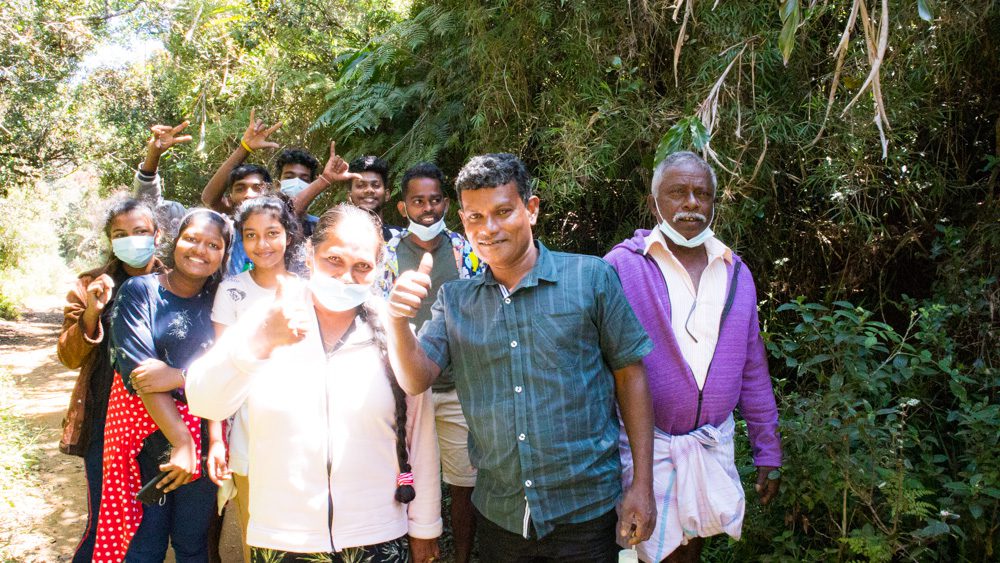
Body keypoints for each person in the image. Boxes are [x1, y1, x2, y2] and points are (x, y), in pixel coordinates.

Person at [385, 153, 657, 562]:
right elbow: (415, 378)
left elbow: (630, 376)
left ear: (531, 209)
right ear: (462, 220)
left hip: (586, 513)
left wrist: (642, 483)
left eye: (503, 211)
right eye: (475, 217)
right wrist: (397, 322)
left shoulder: (590, 278)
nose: (489, 228)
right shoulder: (455, 300)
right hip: (501, 516)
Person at [186, 204, 442, 562]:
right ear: (309, 254)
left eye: (362, 267)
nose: (346, 277)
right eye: (333, 260)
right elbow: (203, 400)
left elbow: (420, 436)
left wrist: (425, 527)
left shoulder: (393, 327)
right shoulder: (268, 317)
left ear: (378, 269)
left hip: (379, 535)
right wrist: (261, 341)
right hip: (283, 537)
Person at [603, 151, 782, 562]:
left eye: (702, 194)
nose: (691, 203)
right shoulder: (623, 267)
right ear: (654, 204)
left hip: (708, 445)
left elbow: (752, 368)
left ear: (714, 204)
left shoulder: (734, 271)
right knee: (642, 552)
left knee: (690, 548)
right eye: (677, 193)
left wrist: (767, 450)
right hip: (643, 450)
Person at [96, 209, 234, 562]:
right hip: (142, 438)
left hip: (207, 433)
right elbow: (142, 375)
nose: (199, 250)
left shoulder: (223, 301)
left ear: (223, 253)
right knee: (143, 544)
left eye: (213, 244)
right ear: (175, 240)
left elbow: (233, 368)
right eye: (191, 239)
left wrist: (181, 379)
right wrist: (181, 440)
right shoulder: (139, 291)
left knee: (193, 543)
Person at [380, 162, 482, 563]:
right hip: (404, 389)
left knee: (463, 482)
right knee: (406, 475)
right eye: (417, 200)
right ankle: (408, 550)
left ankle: (459, 556)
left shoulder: (465, 249)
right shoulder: (386, 254)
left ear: (446, 203)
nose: (427, 208)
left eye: (435, 199)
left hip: (458, 385)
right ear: (403, 207)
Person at [57, 199, 165, 563]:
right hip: (104, 419)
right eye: (121, 234)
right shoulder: (90, 283)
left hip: (164, 421)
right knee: (105, 517)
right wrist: (92, 311)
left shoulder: (177, 280)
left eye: (140, 232)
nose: (131, 240)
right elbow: (69, 356)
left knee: (152, 520)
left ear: (157, 235)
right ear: (110, 241)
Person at [210, 195, 305, 562]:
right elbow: (220, 372)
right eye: (251, 235)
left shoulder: (310, 290)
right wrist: (217, 440)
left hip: (304, 432)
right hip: (249, 431)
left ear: (289, 235)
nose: (262, 244)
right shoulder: (231, 291)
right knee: (256, 535)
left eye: (272, 233)